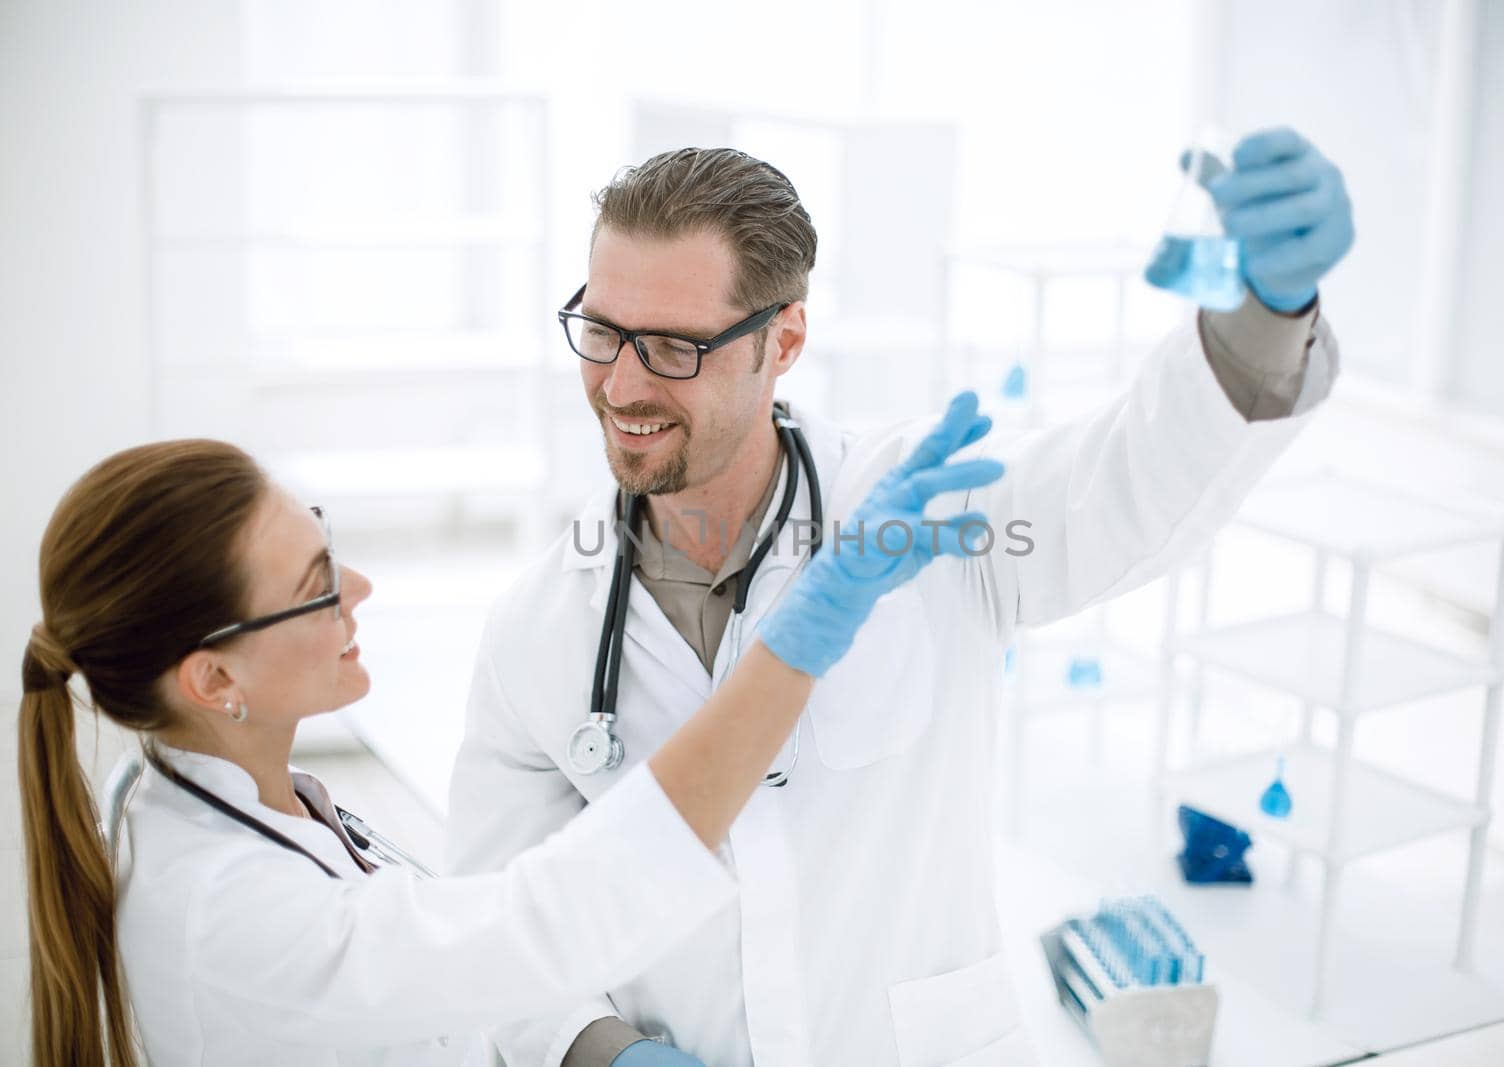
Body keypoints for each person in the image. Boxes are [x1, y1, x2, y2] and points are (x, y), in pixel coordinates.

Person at [448, 129, 1355, 1066]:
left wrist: (1265, 315)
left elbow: (1124, 482)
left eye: (675, 346)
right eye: (602, 332)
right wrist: (601, 1051)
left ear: (783, 339)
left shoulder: (921, 513)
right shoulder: (538, 628)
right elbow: (497, 921)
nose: (623, 383)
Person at [17, 411, 1002, 1066]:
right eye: (313, 582)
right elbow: (542, 918)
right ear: (214, 677)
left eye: (326, 537)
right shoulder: (224, 913)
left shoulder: (183, 787)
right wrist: (791, 650)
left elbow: (459, 930)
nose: (357, 587)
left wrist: (588, 1040)